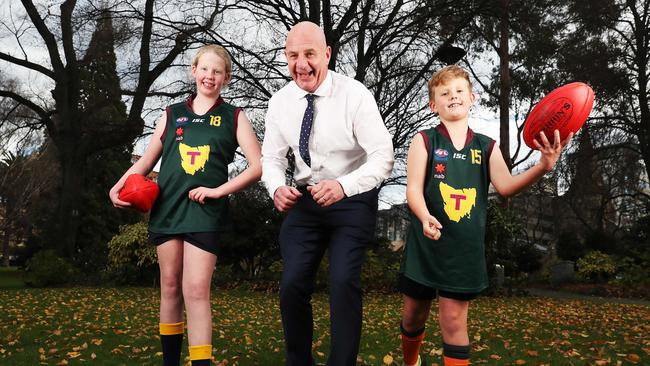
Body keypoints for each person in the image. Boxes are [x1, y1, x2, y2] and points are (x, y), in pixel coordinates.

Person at [398, 65, 572, 366]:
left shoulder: (486, 146)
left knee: (453, 321)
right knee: (413, 317)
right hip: (426, 246)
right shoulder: (424, 140)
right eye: (444, 92)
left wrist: (542, 166)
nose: (453, 96)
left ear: (472, 97)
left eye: (459, 91)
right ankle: (411, 362)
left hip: (463, 250)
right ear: (432, 104)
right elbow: (413, 189)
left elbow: (505, 186)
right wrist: (425, 216)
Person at [109, 45, 262, 366]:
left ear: (226, 78)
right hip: (168, 208)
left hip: (205, 212)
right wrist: (118, 185)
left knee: (194, 290)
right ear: (194, 71)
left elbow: (257, 166)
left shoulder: (234, 116)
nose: (210, 76)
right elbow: (147, 161)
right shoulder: (171, 113)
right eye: (204, 69)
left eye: (217, 71)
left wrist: (219, 191)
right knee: (169, 286)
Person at [261, 21, 394, 366]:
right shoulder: (280, 103)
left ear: (327, 54)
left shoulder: (355, 95)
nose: (301, 64)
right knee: (291, 285)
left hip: (351, 200)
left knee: (343, 281)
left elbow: (383, 157)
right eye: (292, 56)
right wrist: (276, 187)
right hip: (305, 203)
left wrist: (343, 186)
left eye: (309, 54)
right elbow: (272, 158)